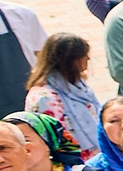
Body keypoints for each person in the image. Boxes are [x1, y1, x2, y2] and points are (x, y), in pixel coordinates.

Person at [23, 31, 102, 159]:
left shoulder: (78, 84)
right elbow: (55, 139)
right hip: (74, 161)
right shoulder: (45, 98)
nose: (88, 59)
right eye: (83, 55)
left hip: (97, 155)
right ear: (69, 61)